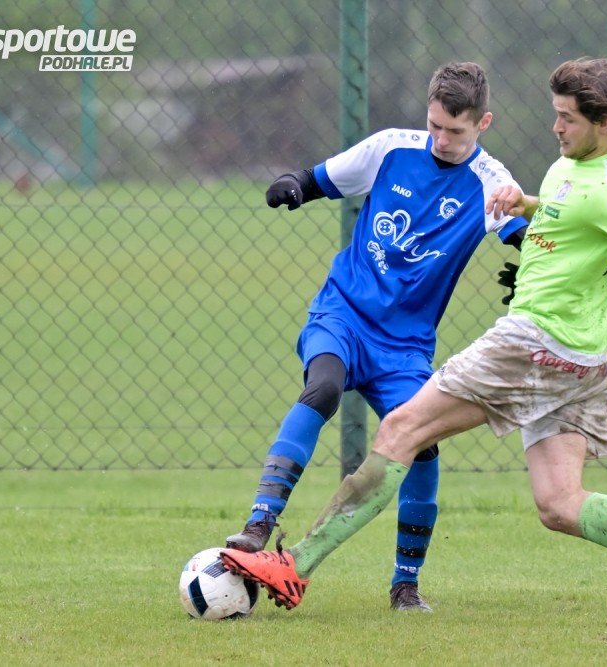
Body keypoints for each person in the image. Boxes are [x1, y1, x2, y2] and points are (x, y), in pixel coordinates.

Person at [221, 57, 607, 623]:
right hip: (583, 358)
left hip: (533, 342)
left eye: (567, 118)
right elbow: (569, 211)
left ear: (603, 122)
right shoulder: (599, 160)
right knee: (559, 504)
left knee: (403, 429)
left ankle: (296, 565)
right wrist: (529, 209)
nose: (555, 127)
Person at [224, 61, 528, 612]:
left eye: (455, 131)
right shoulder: (391, 148)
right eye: (434, 125)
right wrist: (293, 186)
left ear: (483, 123)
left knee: (423, 448)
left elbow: (526, 237)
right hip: (342, 313)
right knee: (322, 388)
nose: (441, 139)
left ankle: (405, 584)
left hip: (404, 349)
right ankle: (258, 524)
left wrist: (534, 261)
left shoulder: (492, 183)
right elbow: (319, 179)